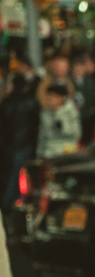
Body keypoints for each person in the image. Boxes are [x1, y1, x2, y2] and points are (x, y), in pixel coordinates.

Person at [0, 74, 39, 211]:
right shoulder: (30, 101)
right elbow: (36, 124)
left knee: (11, 173)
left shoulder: (6, 102)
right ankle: (8, 202)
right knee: (17, 174)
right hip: (23, 144)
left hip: (9, 144)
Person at [37, 85, 81, 158]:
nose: (50, 99)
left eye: (53, 96)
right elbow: (42, 135)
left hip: (65, 152)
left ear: (61, 98)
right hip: (49, 152)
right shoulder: (45, 114)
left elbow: (76, 133)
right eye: (49, 96)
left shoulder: (71, 112)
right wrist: (39, 152)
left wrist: (62, 124)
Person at [71, 52, 95, 142]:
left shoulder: (90, 81)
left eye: (81, 67)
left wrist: (94, 107)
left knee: (88, 138)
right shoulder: (70, 81)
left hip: (87, 115)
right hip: (74, 115)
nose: (79, 69)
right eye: (76, 67)